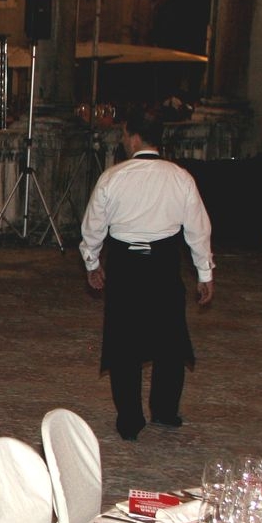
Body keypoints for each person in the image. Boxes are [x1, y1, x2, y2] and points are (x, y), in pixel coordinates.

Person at [79, 108, 214, 441]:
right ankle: (165, 411)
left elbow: (93, 228)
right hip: (163, 264)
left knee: (124, 340)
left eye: (125, 134)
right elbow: (198, 229)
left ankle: (129, 419)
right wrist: (204, 273)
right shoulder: (180, 177)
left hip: (125, 265)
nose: (124, 140)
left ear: (135, 138)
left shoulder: (113, 177)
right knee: (169, 339)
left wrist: (92, 264)